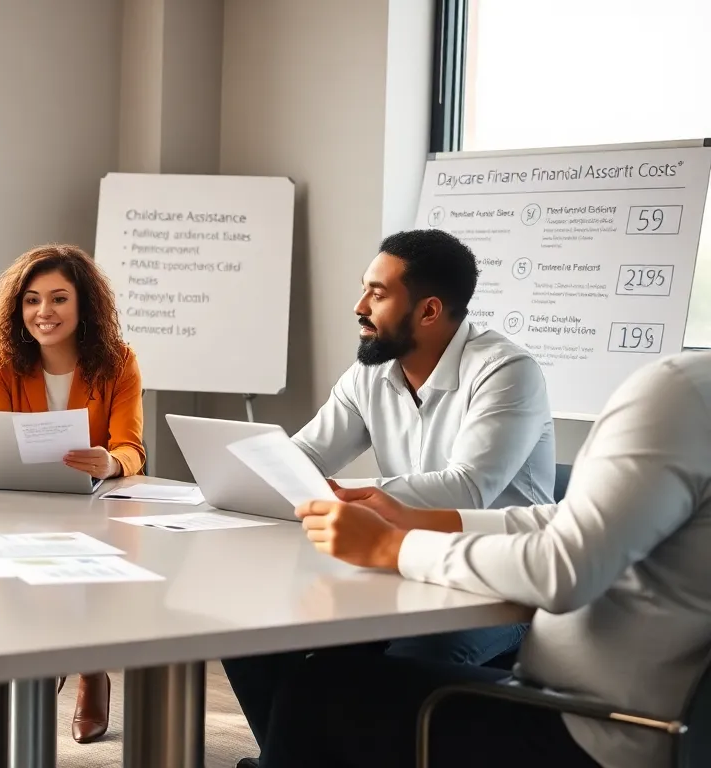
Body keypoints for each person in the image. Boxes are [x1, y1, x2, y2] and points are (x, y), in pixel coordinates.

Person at [260, 350, 711, 768]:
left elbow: (564, 570)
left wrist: (390, 547)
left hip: (601, 730)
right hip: (675, 732)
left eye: (377, 292)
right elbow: (582, 519)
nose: (363, 305)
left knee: (316, 689)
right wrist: (421, 521)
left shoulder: (682, 391)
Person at [224, 229, 556, 767]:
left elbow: (469, 486)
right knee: (251, 634)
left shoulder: (506, 371)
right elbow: (307, 454)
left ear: (428, 311)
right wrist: (247, 470)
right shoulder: (370, 372)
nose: (359, 306)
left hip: (494, 581)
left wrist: (355, 494)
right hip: (393, 565)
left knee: (382, 672)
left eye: (376, 294)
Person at [0, 243, 145, 744]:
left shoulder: (118, 362)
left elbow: (131, 446)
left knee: (88, 558)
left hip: (91, 502)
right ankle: (46, 658)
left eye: (58, 299)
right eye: (31, 300)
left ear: (83, 306)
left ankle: (91, 670)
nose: (43, 312)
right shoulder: (4, 365)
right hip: (23, 501)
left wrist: (111, 462)